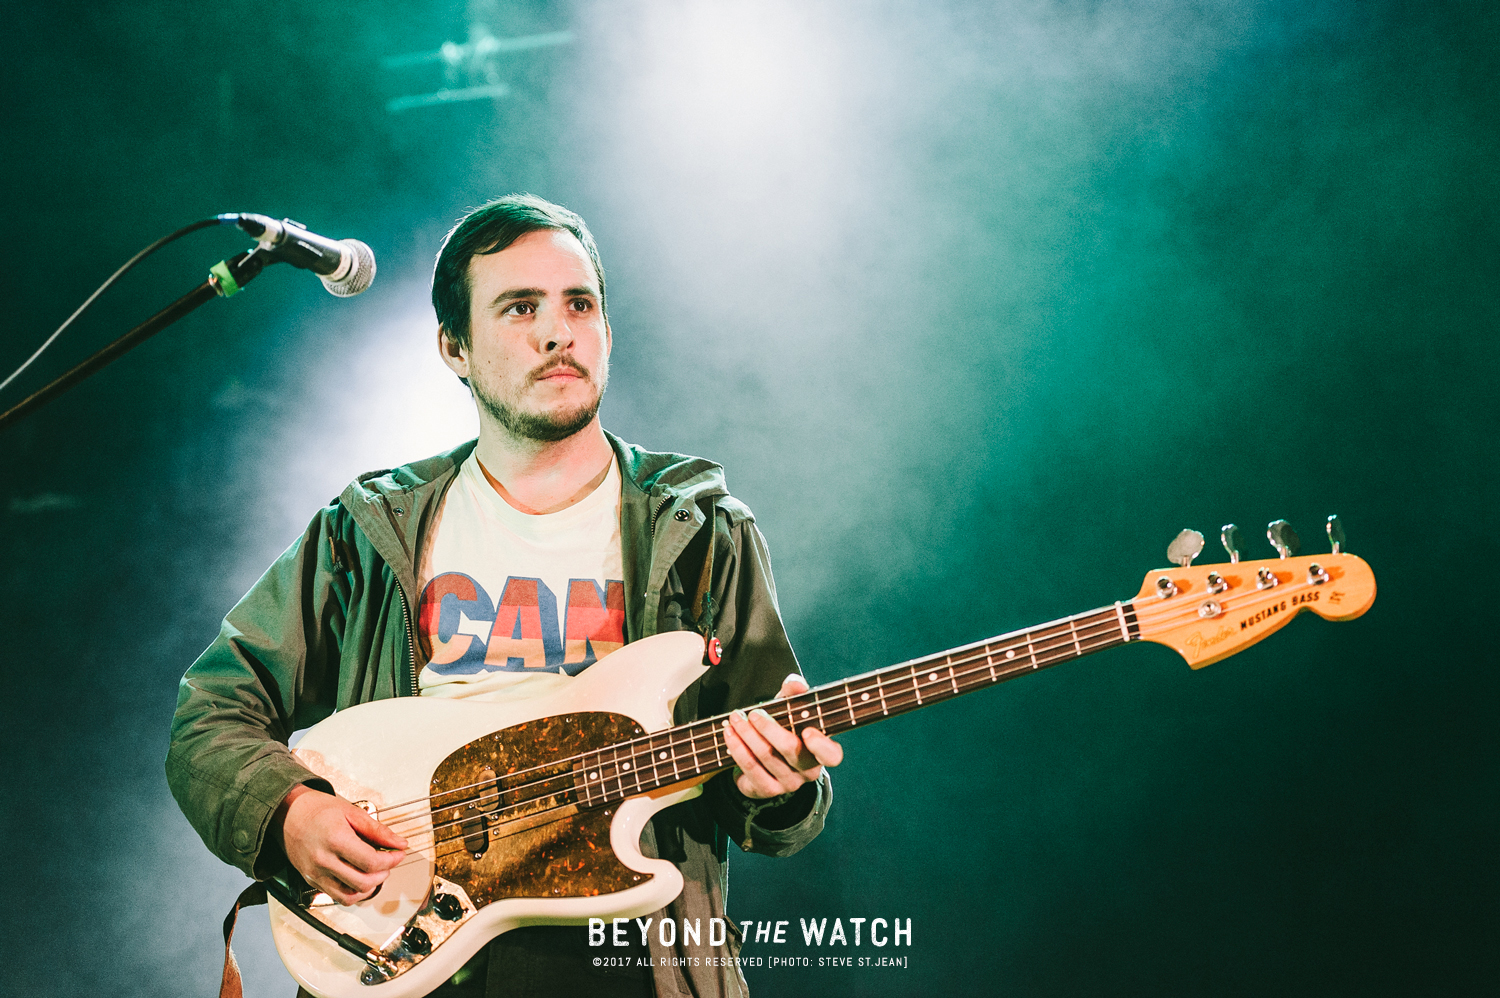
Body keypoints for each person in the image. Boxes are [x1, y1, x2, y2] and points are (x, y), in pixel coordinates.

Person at [166, 194, 841, 998]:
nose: (558, 331)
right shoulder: (369, 528)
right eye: (520, 307)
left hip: (627, 960)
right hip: (409, 943)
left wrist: (784, 786)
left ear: (606, 334)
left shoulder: (700, 530)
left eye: (579, 305)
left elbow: (767, 784)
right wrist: (289, 813)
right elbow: (210, 714)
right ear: (454, 347)